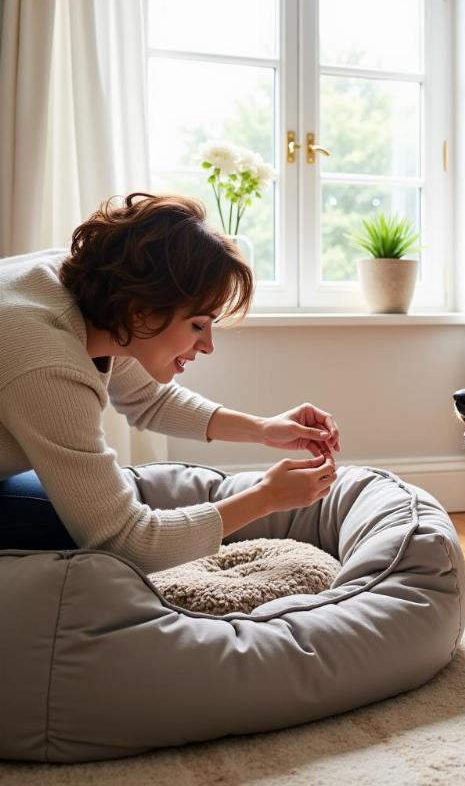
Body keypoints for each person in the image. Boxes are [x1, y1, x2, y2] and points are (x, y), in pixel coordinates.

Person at [0, 192, 341, 573]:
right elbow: (126, 541)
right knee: (75, 538)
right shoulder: (46, 358)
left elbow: (150, 401)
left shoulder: (90, 296)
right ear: (142, 309)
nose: (208, 345)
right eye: (198, 324)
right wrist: (264, 497)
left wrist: (264, 429)